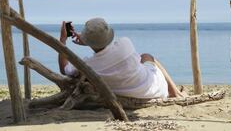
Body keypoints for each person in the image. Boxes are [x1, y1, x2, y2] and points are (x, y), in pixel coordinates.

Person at [58, 18, 188, 99]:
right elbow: (136, 61)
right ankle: (175, 93)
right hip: (151, 89)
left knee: (138, 60)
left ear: (88, 42)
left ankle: (176, 93)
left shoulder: (87, 65)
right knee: (147, 57)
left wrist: (63, 39)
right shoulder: (125, 44)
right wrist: (90, 41)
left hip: (123, 94)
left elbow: (64, 69)